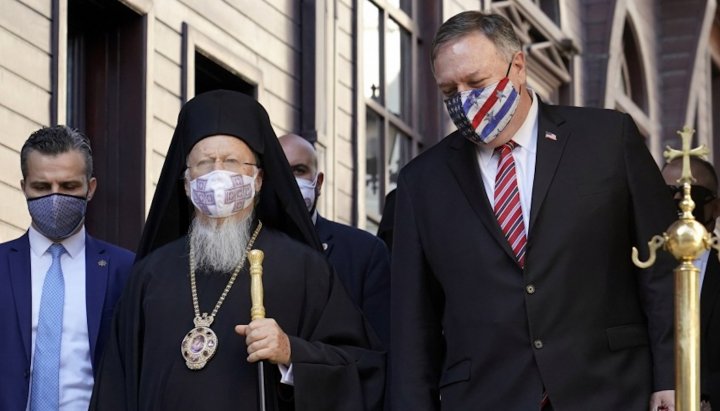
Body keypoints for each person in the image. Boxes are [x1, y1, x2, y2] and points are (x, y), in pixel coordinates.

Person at [391, 11, 677, 410]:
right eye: (449, 91)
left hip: (609, 390)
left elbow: (663, 269)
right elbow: (411, 323)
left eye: (476, 82)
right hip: (486, 397)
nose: (464, 101)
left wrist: (672, 376)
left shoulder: (608, 140)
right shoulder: (421, 182)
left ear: (519, 67)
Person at [90, 90, 384, 411]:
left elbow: (363, 367)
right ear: (187, 183)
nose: (218, 174)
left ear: (258, 179)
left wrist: (291, 353)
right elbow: (114, 388)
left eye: (231, 162)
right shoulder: (150, 275)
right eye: (204, 163)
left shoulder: (304, 269)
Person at [0, 125, 134, 410]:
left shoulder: (126, 270)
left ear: (90, 188)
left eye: (69, 186)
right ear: (23, 187)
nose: (55, 197)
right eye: (42, 187)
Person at [279, 133, 391, 348]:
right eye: (281, 171)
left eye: (299, 170)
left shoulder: (364, 252)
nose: (289, 181)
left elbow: (380, 349)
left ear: (318, 182)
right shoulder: (244, 249)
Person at [662, 156, 720, 410]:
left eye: (692, 193)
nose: (680, 202)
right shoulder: (637, 268)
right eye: (667, 193)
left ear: (715, 207)